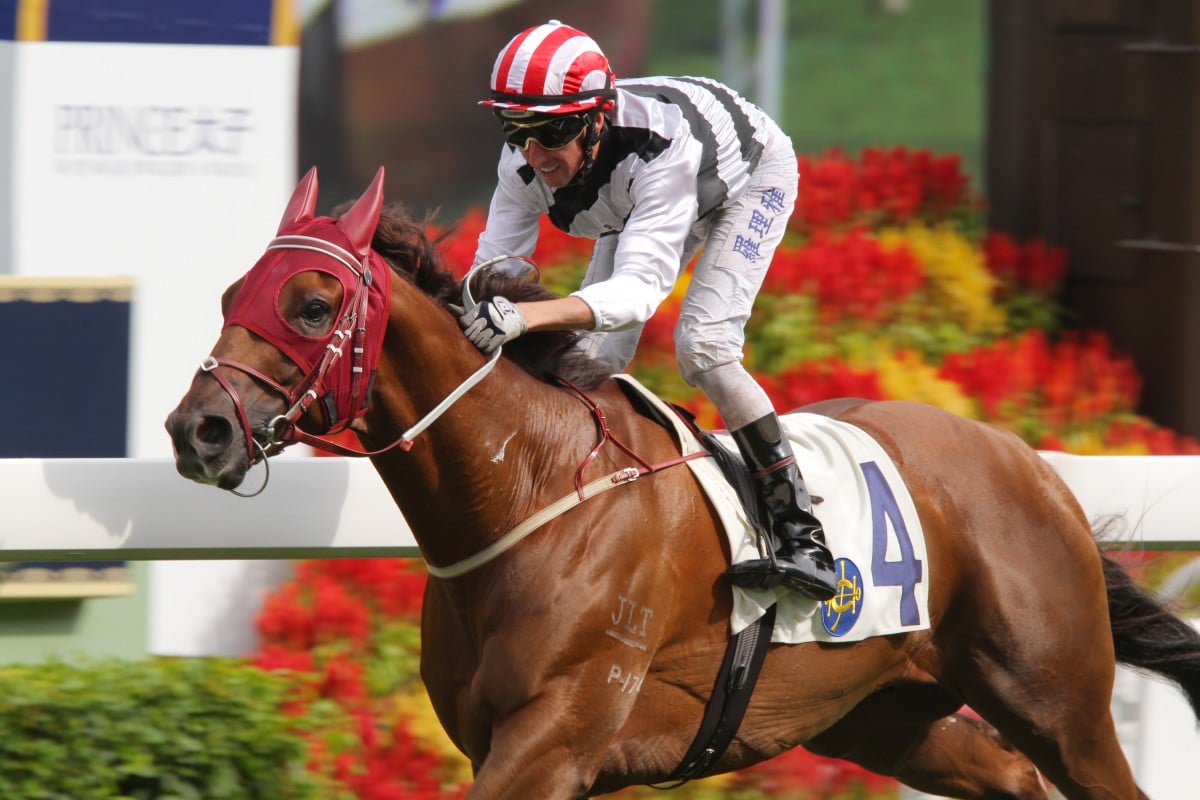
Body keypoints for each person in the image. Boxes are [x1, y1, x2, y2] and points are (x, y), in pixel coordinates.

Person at [457, 20, 836, 601]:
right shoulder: (523, 162)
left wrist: (528, 317)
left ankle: (802, 536)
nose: (533, 152)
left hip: (749, 175)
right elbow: (494, 271)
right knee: (594, 354)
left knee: (705, 347)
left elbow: (638, 292)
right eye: (515, 128)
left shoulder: (661, 156)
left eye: (550, 130)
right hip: (635, 192)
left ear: (595, 118)